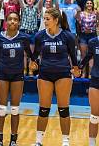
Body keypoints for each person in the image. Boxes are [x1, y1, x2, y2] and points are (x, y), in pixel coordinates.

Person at [30, 8, 81, 146]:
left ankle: (65, 141)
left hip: (63, 74)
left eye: (48, 19)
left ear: (56, 20)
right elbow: (35, 57)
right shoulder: (40, 36)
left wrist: (76, 69)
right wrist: (32, 64)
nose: (45, 21)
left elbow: (73, 57)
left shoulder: (68, 36)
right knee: (43, 109)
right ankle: (38, 141)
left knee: (63, 109)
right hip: (45, 74)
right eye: (44, 18)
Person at [0, 12, 34, 146]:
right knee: (2, 108)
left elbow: (31, 55)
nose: (13, 22)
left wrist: (34, 62)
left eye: (15, 19)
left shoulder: (24, 38)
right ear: (6, 22)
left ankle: (13, 139)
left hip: (17, 76)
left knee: (15, 109)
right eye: (10, 19)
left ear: (19, 22)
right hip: (2, 75)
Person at [79, 36, 99, 146]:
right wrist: (79, 67)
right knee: (94, 116)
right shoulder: (93, 42)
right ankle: (92, 144)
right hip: (96, 80)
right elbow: (87, 57)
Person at [17, 0, 43, 75]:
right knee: (24, 53)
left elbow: (40, 5)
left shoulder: (36, 9)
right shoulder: (24, 8)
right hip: (24, 32)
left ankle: (31, 69)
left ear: (34, 0)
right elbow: (21, 3)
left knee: (31, 53)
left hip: (33, 33)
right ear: (25, 0)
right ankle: (24, 70)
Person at [77, 0, 97, 78]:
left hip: (93, 36)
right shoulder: (81, 13)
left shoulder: (96, 13)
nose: (89, 4)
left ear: (92, 5)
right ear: (85, 5)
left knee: (92, 56)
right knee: (83, 56)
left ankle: (91, 74)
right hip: (83, 36)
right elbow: (77, 22)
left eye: (90, 3)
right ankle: (84, 73)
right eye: (87, 3)